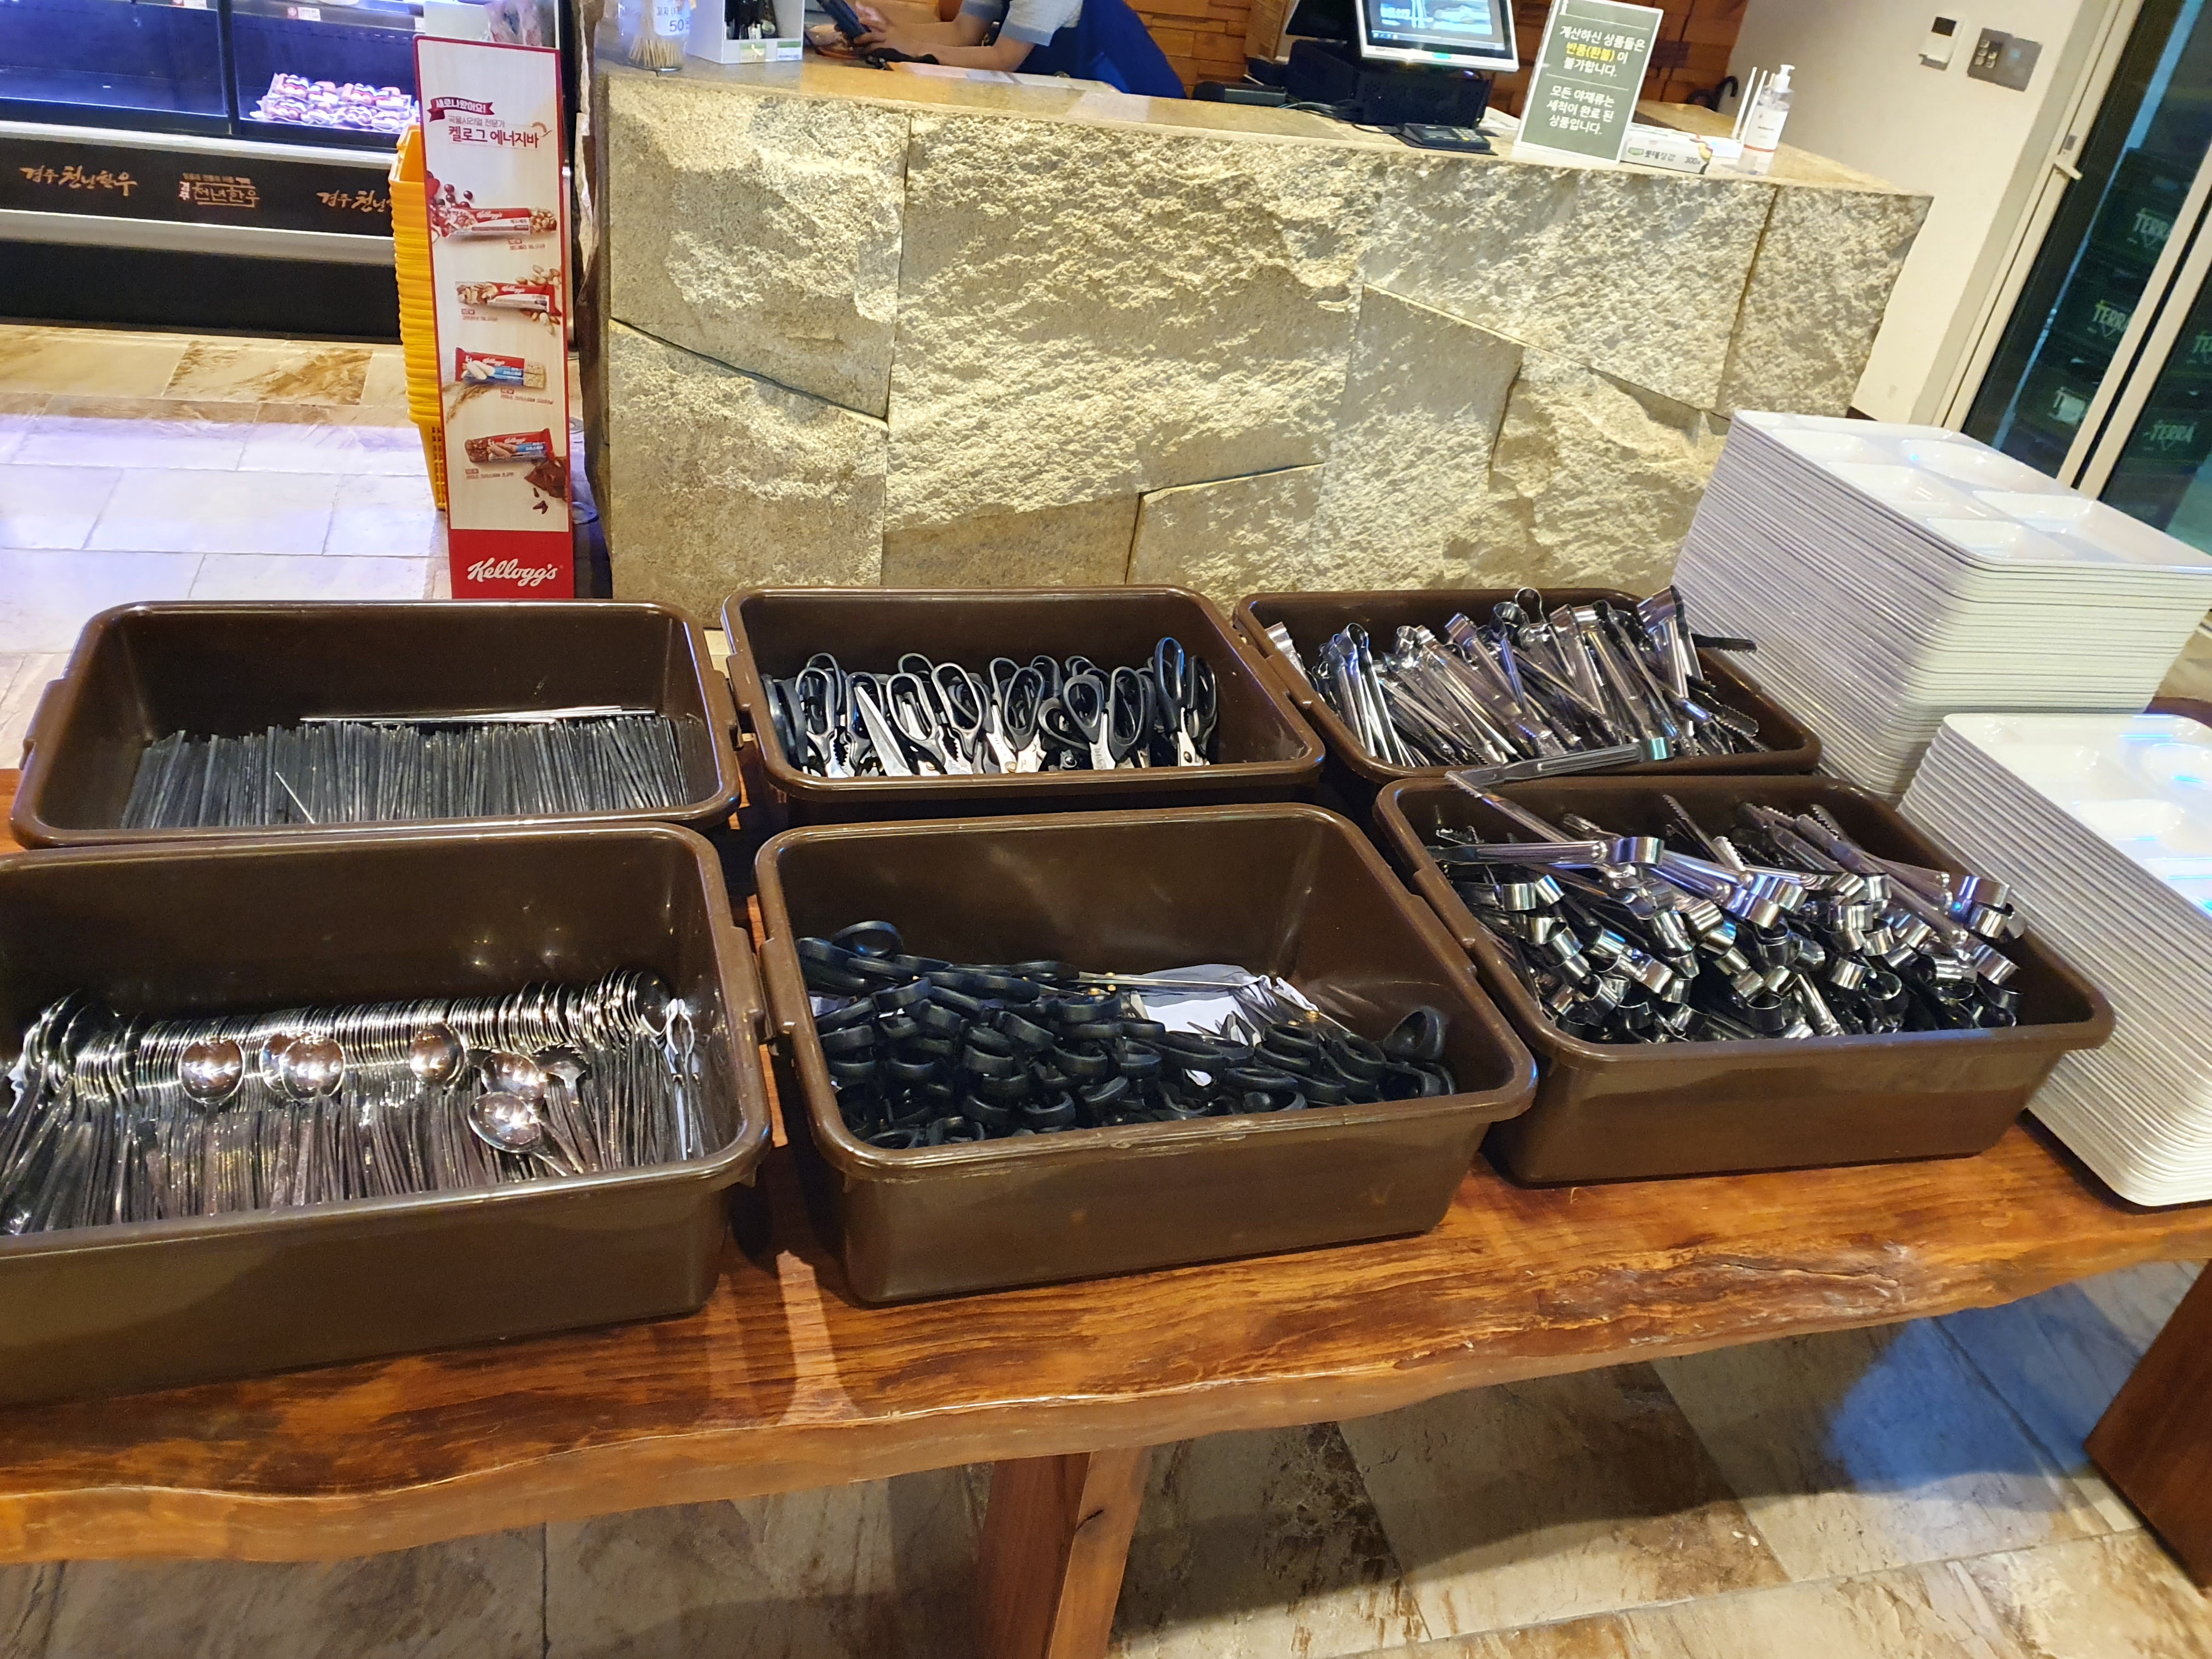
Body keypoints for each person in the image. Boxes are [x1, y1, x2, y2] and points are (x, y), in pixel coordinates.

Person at [850, 0, 1186, 97]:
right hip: (1083, 94)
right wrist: (889, 34)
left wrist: (911, 48)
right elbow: (962, 31)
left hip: (1140, 101)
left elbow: (1004, 58)